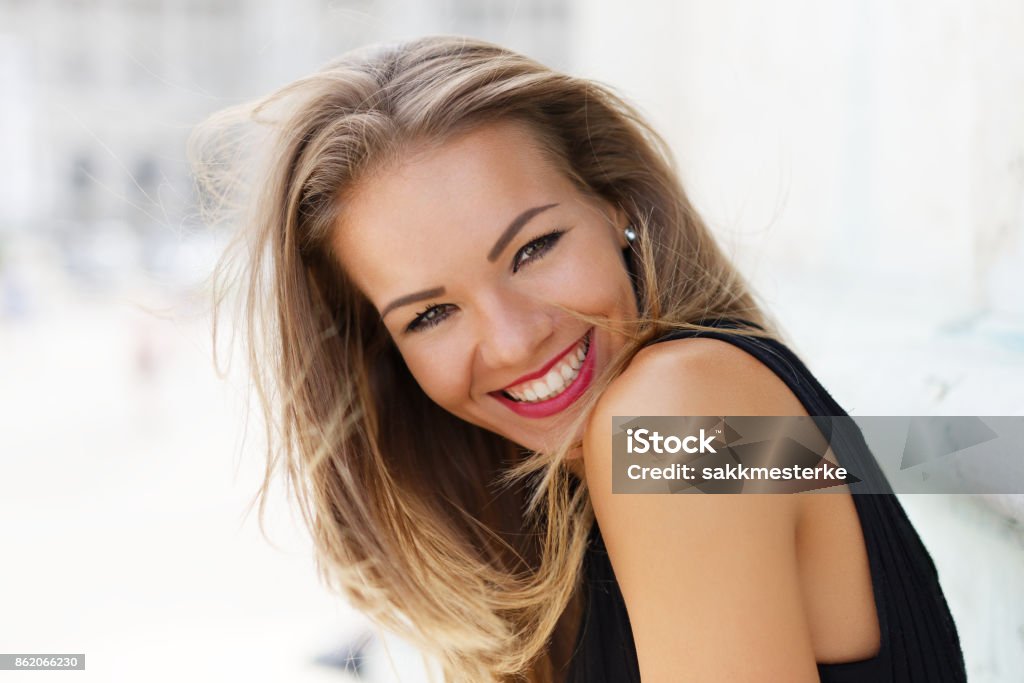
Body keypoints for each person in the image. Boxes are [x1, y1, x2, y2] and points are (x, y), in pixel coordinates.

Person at [191, 36, 967, 682]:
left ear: (615, 203)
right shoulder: (650, 451)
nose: (513, 337)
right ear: (385, 351)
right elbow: (886, 455)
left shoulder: (671, 416)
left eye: (533, 248)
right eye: (431, 313)